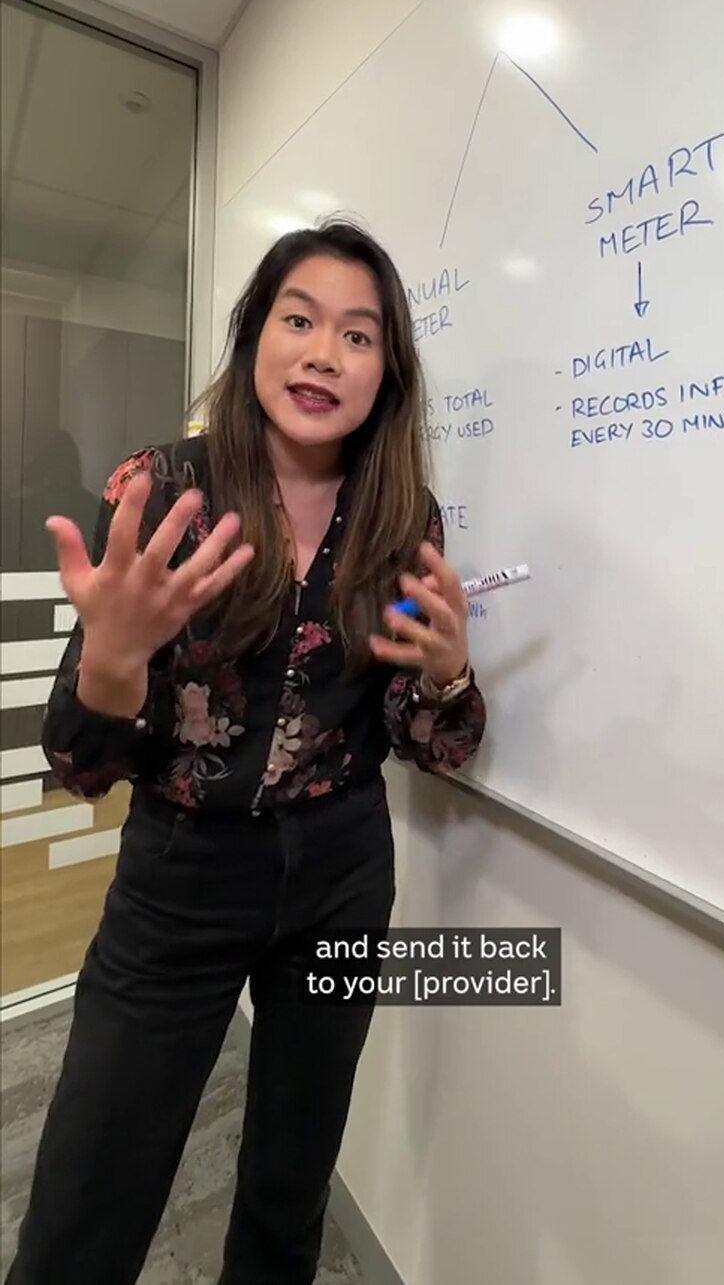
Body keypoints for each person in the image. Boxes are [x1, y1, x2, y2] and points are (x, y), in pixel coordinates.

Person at [7, 221, 487, 1285]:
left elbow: (429, 742)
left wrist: (448, 671)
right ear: (254, 335)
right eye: (299, 320)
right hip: (180, 874)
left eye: (358, 336)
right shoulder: (161, 490)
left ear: (387, 373)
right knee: (86, 1204)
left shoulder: (407, 520)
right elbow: (81, 765)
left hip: (343, 872)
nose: (323, 352)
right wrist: (114, 664)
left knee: (288, 1189)